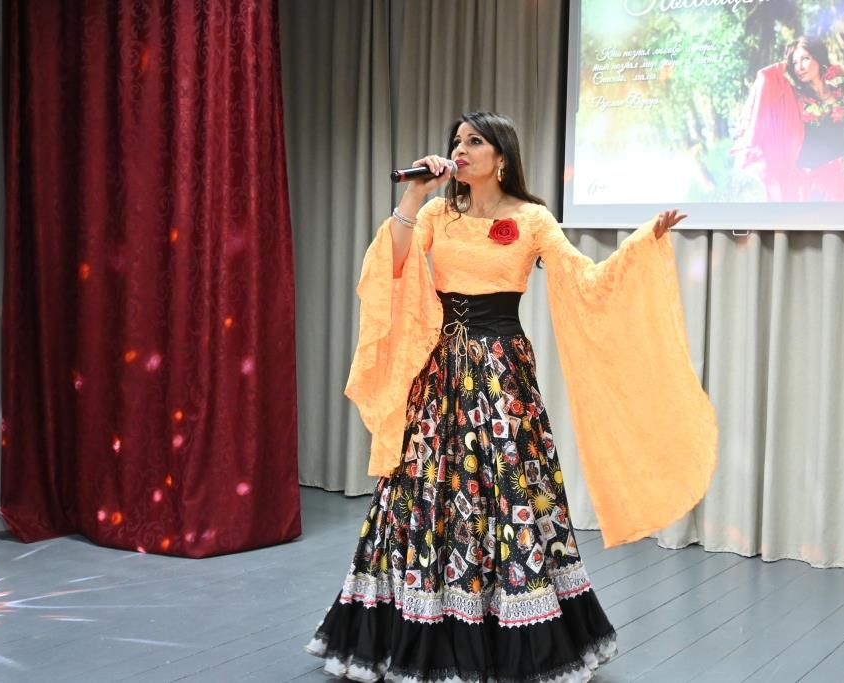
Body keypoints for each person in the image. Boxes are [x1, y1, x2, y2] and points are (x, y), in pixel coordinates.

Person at [305, 111, 718, 682]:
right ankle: (416, 622)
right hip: (439, 371)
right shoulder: (437, 212)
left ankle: (515, 628)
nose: (461, 150)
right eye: (457, 141)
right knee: (423, 487)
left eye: (474, 141)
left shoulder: (532, 218)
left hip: (502, 372)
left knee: (508, 488)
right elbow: (393, 267)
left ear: (502, 156)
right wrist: (416, 194)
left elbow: (588, 281)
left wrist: (641, 243)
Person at [733, 36, 844, 202]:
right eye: (795, 63)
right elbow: (765, 76)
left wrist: (840, 70)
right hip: (812, 184)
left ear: (818, 57)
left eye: (805, 59)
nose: (799, 67)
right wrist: (787, 62)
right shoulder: (794, 97)